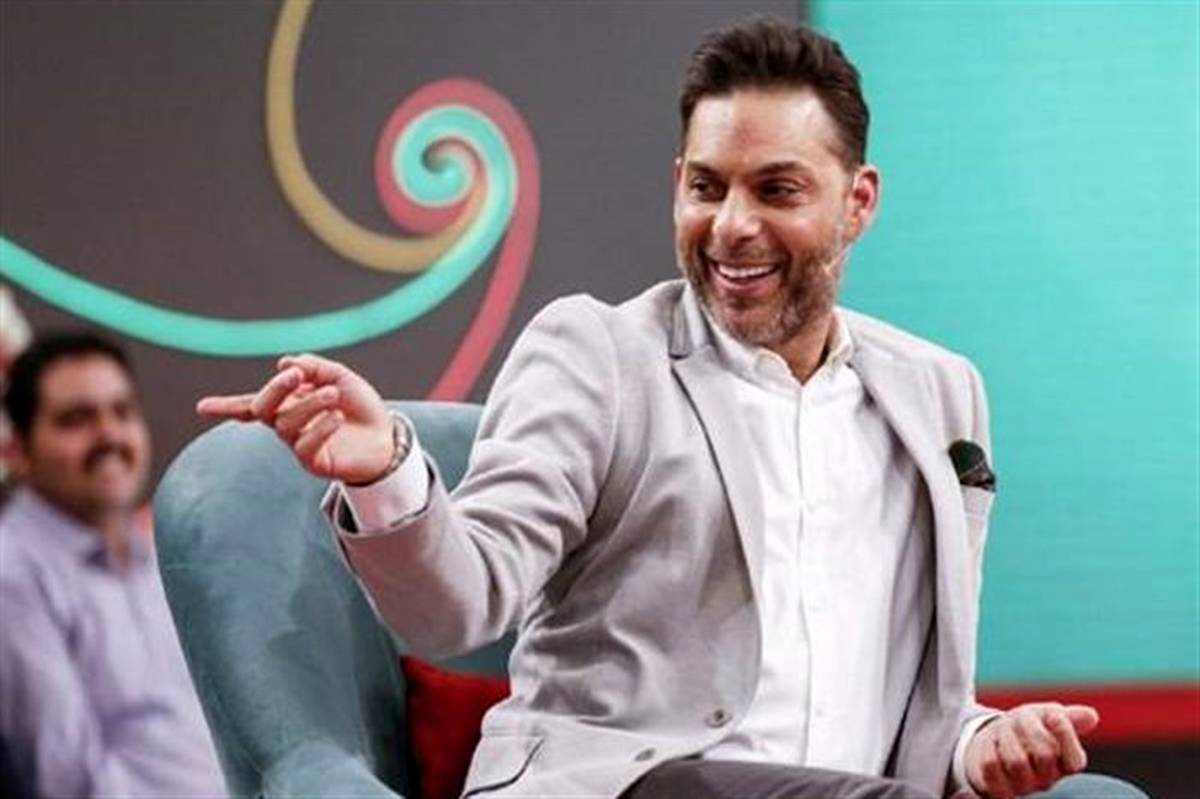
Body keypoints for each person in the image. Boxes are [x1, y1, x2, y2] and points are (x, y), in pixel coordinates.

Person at [199, 17, 1145, 799]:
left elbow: (914, 699)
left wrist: (978, 744)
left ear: (858, 203)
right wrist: (386, 472)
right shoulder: (598, 355)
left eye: (776, 189)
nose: (731, 226)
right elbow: (457, 605)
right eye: (706, 186)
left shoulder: (940, 392)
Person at [0, 332, 225, 798]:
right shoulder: (13, 575)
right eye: (76, 419)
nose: (110, 435)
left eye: (122, 411)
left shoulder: (156, 560)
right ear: (18, 451)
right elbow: (65, 782)